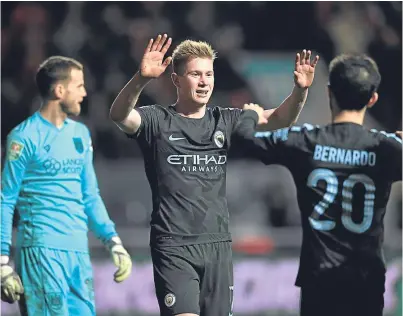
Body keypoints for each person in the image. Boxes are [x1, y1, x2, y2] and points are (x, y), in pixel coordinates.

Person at [109, 33, 319, 316]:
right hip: (173, 245)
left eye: (209, 74)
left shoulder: (225, 120)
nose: (204, 81)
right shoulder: (157, 121)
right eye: (195, 74)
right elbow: (120, 115)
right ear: (176, 79)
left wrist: (300, 91)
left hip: (217, 246)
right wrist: (141, 78)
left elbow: (280, 119)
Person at [235, 54, 402, 316]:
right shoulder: (387, 148)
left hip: (320, 279)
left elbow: (246, 139)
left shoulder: (307, 141)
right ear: (372, 99)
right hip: (366, 280)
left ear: (329, 93)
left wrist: (250, 115)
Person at [1, 56, 132, 315]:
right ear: (60, 90)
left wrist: (112, 240)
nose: (84, 93)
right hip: (41, 253)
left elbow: (90, 195)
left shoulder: (80, 135)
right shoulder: (23, 138)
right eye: (79, 86)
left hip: (78, 253)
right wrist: (2, 261)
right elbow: (5, 199)